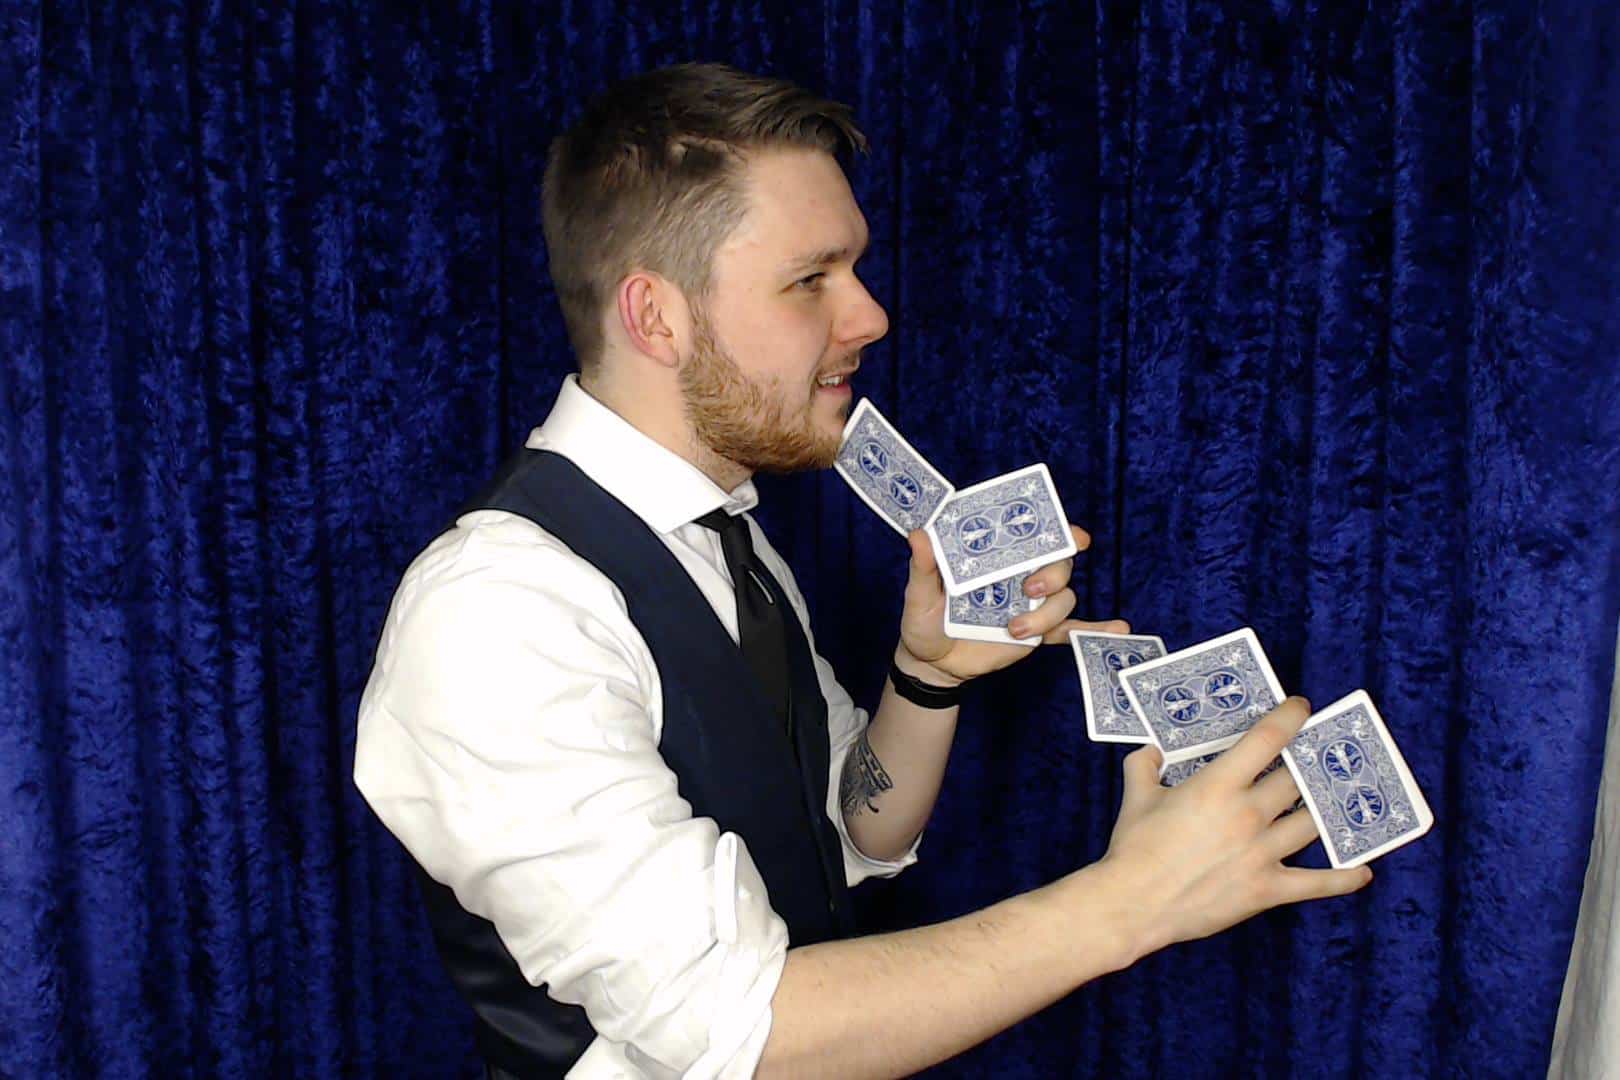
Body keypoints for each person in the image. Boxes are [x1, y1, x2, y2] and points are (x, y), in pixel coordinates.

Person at [353, 62, 1372, 1079]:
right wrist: (1131, 901)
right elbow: (742, 1034)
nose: (871, 317)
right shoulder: (497, 613)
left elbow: (849, 834)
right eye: (812, 280)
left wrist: (926, 677)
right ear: (656, 317)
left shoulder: (729, 544)